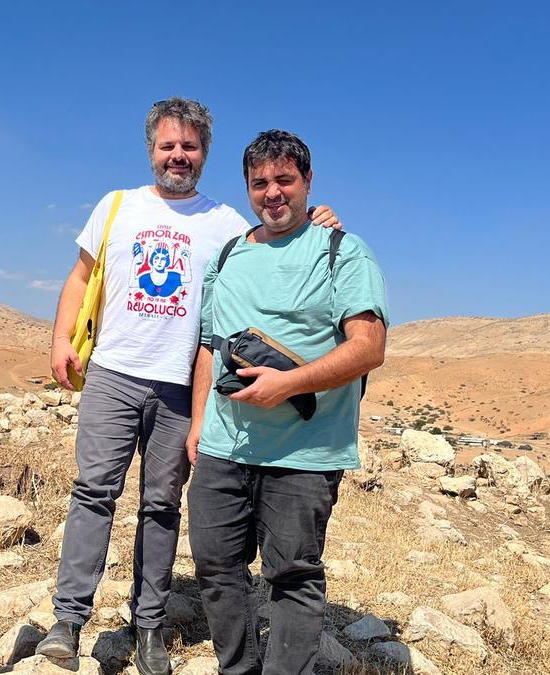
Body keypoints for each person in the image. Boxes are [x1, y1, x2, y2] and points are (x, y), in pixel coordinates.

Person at [41, 98, 340, 675]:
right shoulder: (117, 205)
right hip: (113, 373)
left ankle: (149, 625)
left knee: (161, 506)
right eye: (167, 146)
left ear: (205, 153)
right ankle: (68, 620)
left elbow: (282, 232)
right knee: (93, 495)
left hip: (178, 387)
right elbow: (80, 276)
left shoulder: (228, 224)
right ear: (151, 150)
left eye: (190, 147)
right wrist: (61, 340)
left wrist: (321, 220)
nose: (178, 156)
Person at [186, 130, 388, 675]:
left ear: (307, 182)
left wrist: (288, 385)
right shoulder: (227, 255)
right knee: (215, 567)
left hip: (306, 452)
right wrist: (198, 424)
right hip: (223, 447)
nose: (272, 193)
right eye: (260, 183)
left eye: (284, 180)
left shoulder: (342, 251)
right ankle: (238, 668)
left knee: (293, 577)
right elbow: (210, 345)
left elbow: (369, 348)